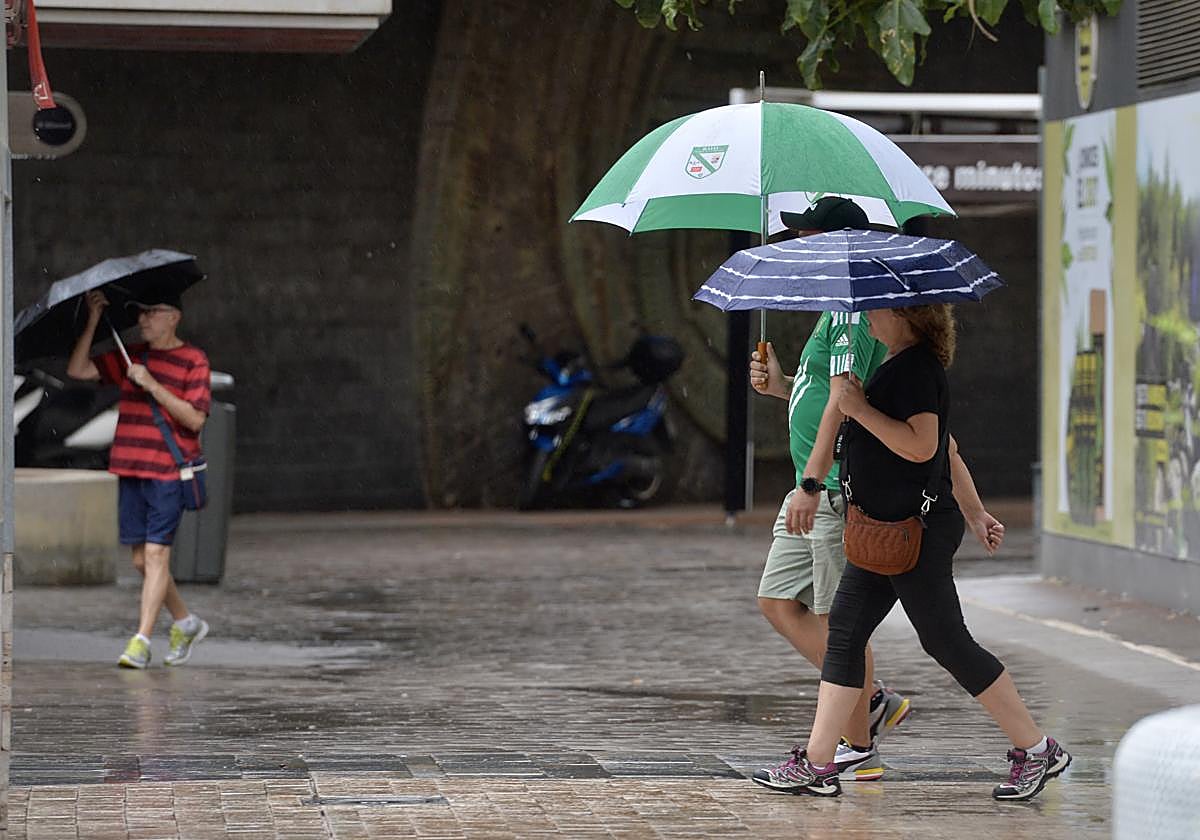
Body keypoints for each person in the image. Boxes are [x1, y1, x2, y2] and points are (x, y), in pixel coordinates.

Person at [760, 303, 1070, 802]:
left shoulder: (916, 371)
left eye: (878, 312)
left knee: (946, 641)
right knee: (844, 635)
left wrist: (858, 409)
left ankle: (1037, 749)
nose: (870, 320)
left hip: (914, 532)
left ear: (905, 317)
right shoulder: (894, 365)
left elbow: (925, 446)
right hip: (881, 529)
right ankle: (819, 763)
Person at [748, 197, 908, 785]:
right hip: (807, 486)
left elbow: (847, 400)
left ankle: (858, 745)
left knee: (841, 621)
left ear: (832, 240)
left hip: (831, 490)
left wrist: (814, 483)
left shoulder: (852, 309)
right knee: (777, 601)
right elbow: (826, 391)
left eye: (805, 235)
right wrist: (782, 385)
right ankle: (867, 700)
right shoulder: (832, 309)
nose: (796, 246)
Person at [67, 288, 212, 669]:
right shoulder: (131, 358)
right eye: (141, 313)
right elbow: (78, 370)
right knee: (140, 561)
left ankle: (141, 640)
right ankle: (185, 622)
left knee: (155, 554)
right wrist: (94, 321)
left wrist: (151, 384)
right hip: (130, 467)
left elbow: (195, 419)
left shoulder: (193, 360)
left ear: (174, 318)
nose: (144, 319)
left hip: (167, 470)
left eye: (153, 312)